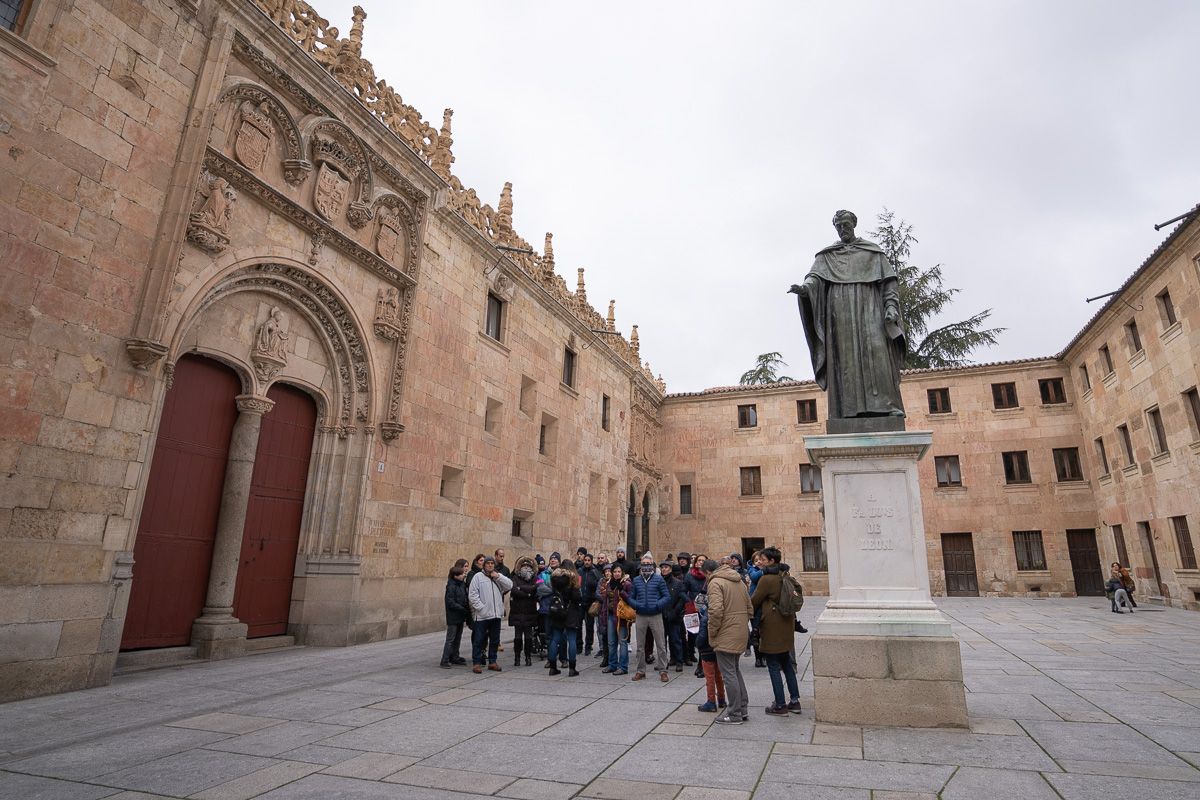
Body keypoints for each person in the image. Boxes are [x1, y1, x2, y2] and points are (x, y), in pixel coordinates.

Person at [790, 209, 906, 425]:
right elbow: (814, 279)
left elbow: (889, 284)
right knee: (845, 360)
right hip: (839, 312)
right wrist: (805, 289)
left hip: (870, 307)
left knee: (877, 353)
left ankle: (888, 407)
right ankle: (846, 411)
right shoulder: (827, 256)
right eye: (838, 226)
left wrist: (891, 307)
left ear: (854, 224)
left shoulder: (872, 252)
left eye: (846, 224)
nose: (842, 229)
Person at [752, 547, 803, 715]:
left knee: (773, 665)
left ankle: (780, 704)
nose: (760, 562)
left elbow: (754, 601)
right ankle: (794, 701)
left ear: (772, 561)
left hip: (772, 626)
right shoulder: (785, 575)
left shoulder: (767, 579)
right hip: (786, 624)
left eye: (763, 559)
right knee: (786, 663)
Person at [706, 558, 752, 724]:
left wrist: (713, 631)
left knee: (729, 674)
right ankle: (742, 708)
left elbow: (716, 611)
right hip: (739, 631)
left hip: (726, 633)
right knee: (735, 670)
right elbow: (749, 606)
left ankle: (734, 713)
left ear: (708, 572)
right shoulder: (738, 580)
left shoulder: (715, 583)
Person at [629, 553, 671, 682]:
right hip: (641, 615)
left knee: (661, 645)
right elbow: (631, 597)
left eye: (648, 564)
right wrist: (637, 605)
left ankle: (663, 670)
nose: (646, 566)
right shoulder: (636, 580)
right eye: (644, 564)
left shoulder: (659, 579)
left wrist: (658, 605)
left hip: (655, 615)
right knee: (640, 646)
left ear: (652, 565)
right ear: (641, 565)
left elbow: (666, 596)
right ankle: (641, 671)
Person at [467, 555, 512, 673]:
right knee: (479, 640)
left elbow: (509, 585)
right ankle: (476, 662)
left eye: (492, 563)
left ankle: (492, 661)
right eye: (488, 563)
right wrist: (481, 608)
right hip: (482, 616)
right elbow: (472, 595)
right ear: (484, 565)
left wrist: (498, 577)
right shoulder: (478, 577)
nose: (490, 565)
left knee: (495, 640)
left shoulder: (497, 577)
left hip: (496, 615)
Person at [693, 590, 726, 713]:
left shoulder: (704, 619)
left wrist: (697, 645)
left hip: (706, 652)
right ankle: (722, 699)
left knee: (710, 678)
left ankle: (711, 702)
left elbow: (701, 638)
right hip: (717, 650)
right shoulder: (717, 615)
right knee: (719, 676)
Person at [547, 567, 582, 676]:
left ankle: (552, 667)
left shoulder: (555, 581)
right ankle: (572, 669)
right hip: (570, 614)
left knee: (555, 639)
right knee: (571, 639)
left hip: (558, 613)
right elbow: (578, 598)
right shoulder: (571, 584)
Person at [600, 564, 632, 675]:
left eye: (619, 571)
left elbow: (630, 599)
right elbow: (605, 601)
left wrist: (622, 591)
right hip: (610, 615)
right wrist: (603, 616)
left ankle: (623, 667)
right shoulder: (609, 584)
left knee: (622, 642)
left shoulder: (627, 583)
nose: (617, 573)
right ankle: (612, 665)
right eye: (615, 571)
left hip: (622, 617)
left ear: (622, 572)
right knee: (611, 642)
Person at [508, 556, 539, 666]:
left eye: (528, 566)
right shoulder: (515, 577)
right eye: (524, 566)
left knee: (528, 636)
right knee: (517, 636)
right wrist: (528, 592)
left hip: (530, 611)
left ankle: (528, 657)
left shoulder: (536, 577)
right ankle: (517, 657)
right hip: (517, 610)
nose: (526, 568)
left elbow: (537, 586)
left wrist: (523, 589)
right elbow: (514, 589)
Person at [440, 563, 470, 668]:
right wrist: (462, 608)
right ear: (455, 576)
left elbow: (464, 597)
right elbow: (450, 602)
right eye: (461, 574)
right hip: (453, 616)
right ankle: (445, 659)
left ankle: (455, 657)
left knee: (458, 638)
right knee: (450, 639)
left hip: (460, 615)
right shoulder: (451, 586)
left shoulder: (461, 584)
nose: (463, 576)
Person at [683, 552, 708, 670]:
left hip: (707, 607)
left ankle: (703, 656)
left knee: (704, 633)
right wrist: (689, 601)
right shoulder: (689, 575)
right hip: (693, 606)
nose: (701, 562)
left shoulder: (709, 575)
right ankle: (690, 653)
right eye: (699, 560)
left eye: (703, 561)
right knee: (693, 632)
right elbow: (683, 590)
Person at [661, 561, 686, 671]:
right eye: (662, 567)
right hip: (661, 615)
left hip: (674, 616)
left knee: (676, 640)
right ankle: (664, 661)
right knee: (662, 641)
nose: (664, 569)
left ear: (670, 569)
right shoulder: (659, 582)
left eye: (666, 567)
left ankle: (679, 661)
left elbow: (681, 599)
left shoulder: (678, 583)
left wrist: (675, 611)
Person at [579, 553, 602, 656]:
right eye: (585, 560)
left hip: (590, 603)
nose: (587, 562)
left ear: (591, 561)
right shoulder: (579, 571)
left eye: (589, 560)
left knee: (589, 626)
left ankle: (588, 646)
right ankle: (579, 645)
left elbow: (599, 586)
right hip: (580, 602)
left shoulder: (595, 572)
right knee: (578, 625)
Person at [594, 564, 612, 659]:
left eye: (609, 571)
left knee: (611, 633)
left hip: (611, 610)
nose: (607, 573)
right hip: (602, 610)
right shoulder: (601, 581)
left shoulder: (614, 581)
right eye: (606, 571)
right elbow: (597, 593)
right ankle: (604, 653)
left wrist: (606, 597)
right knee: (602, 631)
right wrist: (605, 598)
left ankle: (611, 654)